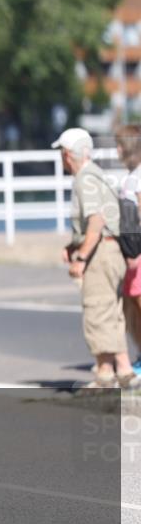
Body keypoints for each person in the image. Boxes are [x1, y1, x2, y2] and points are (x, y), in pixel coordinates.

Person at [54, 128, 139, 389]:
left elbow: (96, 221)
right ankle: (120, 371)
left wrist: (80, 257)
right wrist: (74, 245)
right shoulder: (98, 176)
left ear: (68, 155)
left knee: (98, 312)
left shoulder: (85, 179)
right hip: (111, 250)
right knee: (111, 313)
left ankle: (108, 374)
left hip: (101, 253)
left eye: (61, 154)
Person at [116, 124, 141, 376]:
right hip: (131, 252)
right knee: (131, 304)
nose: (117, 150)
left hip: (138, 252)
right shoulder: (129, 177)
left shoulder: (138, 177)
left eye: (120, 145)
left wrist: (136, 252)